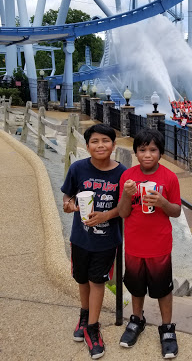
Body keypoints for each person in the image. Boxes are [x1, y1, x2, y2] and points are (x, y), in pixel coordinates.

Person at [62, 123, 127, 359]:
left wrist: (106, 215)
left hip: (107, 241)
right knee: (81, 279)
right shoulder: (78, 168)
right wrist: (68, 205)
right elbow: (68, 195)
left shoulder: (122, 173)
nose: (100, 145)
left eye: (105, 141)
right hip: (80, 238)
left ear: (113, 145)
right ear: (87, 146)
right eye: (95, 141)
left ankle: (93, 328)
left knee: (97, 282)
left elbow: (125, 207)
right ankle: (84, 315)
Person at [117, 128, 181, 358]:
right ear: (135, 152)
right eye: (142, 149)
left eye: (153, 150)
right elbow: (123, 213)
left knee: (163, 289)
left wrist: (163, 202)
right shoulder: (128, 177)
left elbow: (176, 211)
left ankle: (167, 328)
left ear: (160, 153)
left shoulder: (169, 177)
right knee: (135, 287)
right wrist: (126, 194)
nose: (147, 154)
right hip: (134, 244)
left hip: (160, 245)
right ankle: (137, 320)